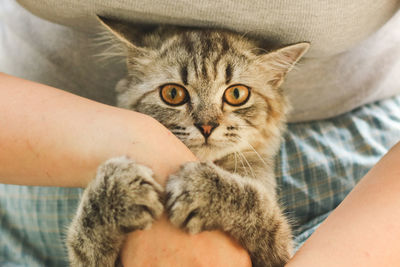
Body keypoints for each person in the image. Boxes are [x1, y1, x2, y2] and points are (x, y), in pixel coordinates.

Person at [1, 1, 400, 266]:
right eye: (174, 94)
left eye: (236, 95)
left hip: (358, 199)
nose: (206, 121)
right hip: (37, 162)